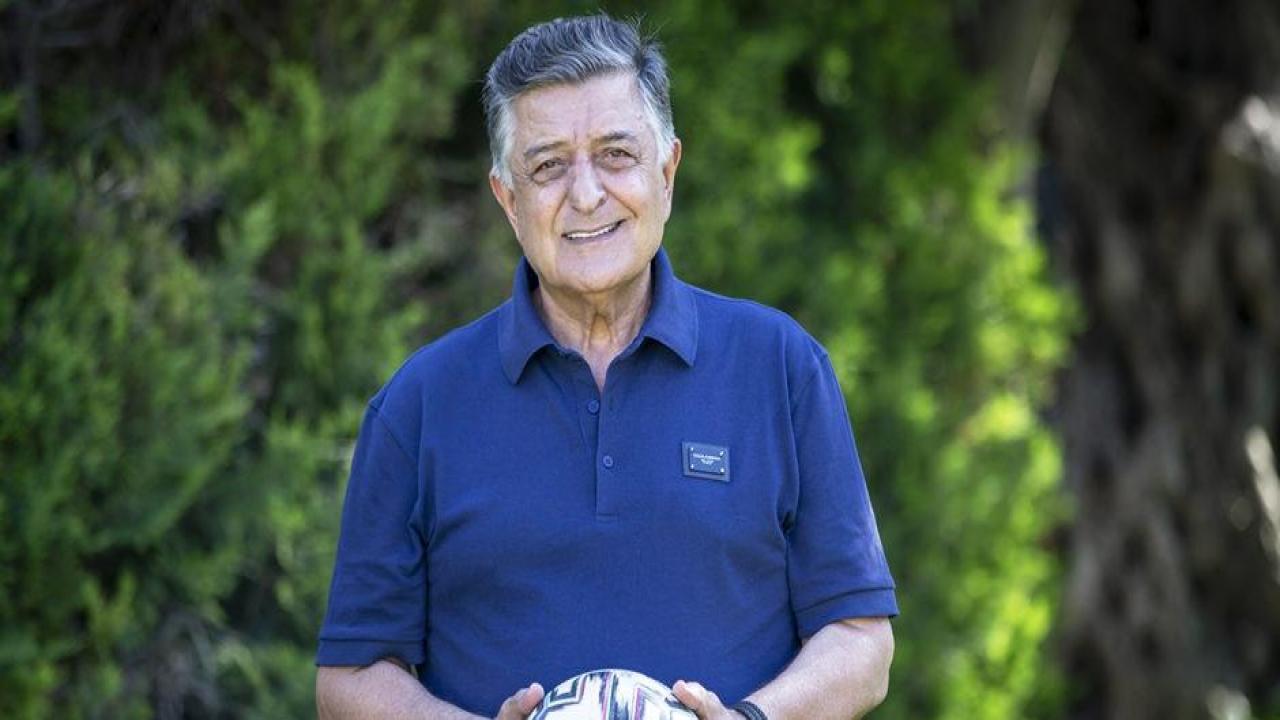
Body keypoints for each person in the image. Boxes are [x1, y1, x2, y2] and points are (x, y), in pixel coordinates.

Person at [315, 13, 897, 720]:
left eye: (616, 155)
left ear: (667, 173)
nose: (586, 195)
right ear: (508, 200)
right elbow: (350, 677)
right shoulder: (419, 405)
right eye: (548, 166)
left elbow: (862, 642)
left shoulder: (782, 368)